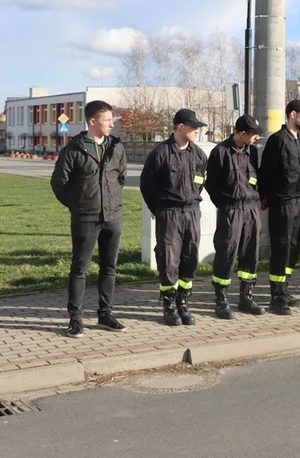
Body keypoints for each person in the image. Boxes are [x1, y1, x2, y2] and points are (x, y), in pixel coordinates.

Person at [50, 99, 128, 337]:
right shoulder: (73, 150)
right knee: (79, 269)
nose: (111, 125)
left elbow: (120, 179)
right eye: (107, 120)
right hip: (86, 218)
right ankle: (76, 319)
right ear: (92, 121)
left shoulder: (117, 147)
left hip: (112, 217)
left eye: (112, 120)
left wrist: (110, 202)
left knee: (109, 268)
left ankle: (105, 314)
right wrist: (79, 206)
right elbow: (58, 184)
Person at [140, 109, 210, 326]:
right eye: (193, 127)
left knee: (190, 257)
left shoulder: (198, 155)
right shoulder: (160, 153)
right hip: (169, 214)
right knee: (169, 259)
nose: (197, 131)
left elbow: (200, 182)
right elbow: (147, 186)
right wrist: (160, 210)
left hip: (191, 213)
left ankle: (183, 303)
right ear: (180, 126)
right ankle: (169, 306)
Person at [205, 115, 265, 320]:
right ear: (241, 133)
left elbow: (257, 180)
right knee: (226, 255)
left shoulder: (252, 152)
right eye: (254, 134)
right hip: (231, 211)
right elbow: (211, 185)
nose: (257, 137)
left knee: (251, 254)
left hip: (251, 210)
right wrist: (226, 207)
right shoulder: (220, 152)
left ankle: (246, 297)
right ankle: (221, 300)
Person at [260, 99, 300, 315]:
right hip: (282, 203)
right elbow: (266, 171)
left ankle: (285, 289)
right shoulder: (278, 140)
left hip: (298, 202)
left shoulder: (299, 141)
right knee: (281, 248)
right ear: (293, 115)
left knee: (293, 249)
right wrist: (265, 197)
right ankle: (276, 297)